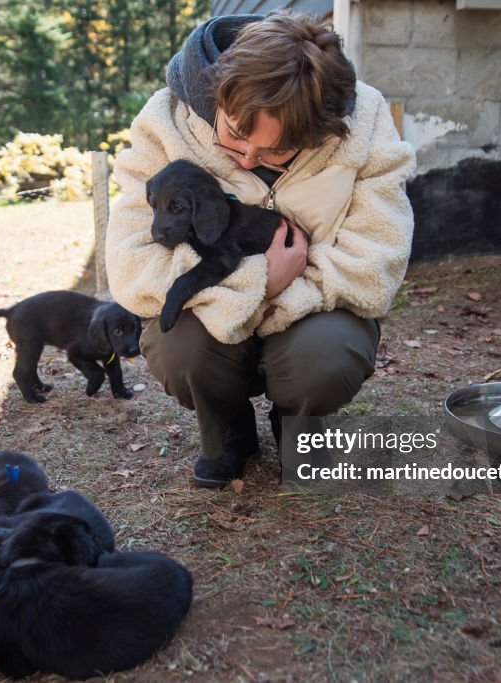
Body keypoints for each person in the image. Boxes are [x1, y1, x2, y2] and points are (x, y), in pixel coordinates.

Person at [106, 11, 415, 488]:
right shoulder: (165, 121)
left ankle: (300, 429)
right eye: (233, 133)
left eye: (276, 152)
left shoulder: (365, 122)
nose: (247, 160)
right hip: (214, 311)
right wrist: (259, 282)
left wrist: (284, 294)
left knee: (324, 356)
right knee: (178, 348)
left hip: (316, 307)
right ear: (217, 96)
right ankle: (228, 428)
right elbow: (132, 264)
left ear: (319, 132)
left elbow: (377, 254)